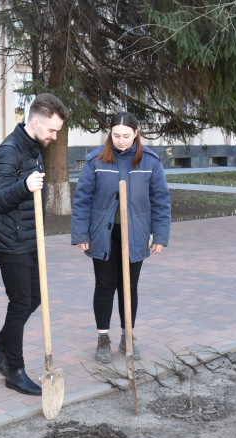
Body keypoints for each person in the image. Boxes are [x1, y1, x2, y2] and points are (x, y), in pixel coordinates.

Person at [0, 93, 69, 395]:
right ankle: (14, 370)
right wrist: (24, 186)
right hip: (11, 240)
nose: (54, 137)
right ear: (35, 122)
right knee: (21, 302)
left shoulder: (31, 147)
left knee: (34, 298)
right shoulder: (10, 151)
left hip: (28, 238)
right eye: (51, 130)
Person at [71, 111, 172, 363]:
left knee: (129, 286)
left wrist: (160, 235)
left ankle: (128, 334)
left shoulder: (149, 162)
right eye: (116, 135)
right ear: (110, 134)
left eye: (126, 136)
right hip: (103, 234)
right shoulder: (96, 160)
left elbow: (161, 201)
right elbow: (82, 199)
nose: (121, 141)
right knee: (104, 286)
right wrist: (81, 232)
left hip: (136, 234)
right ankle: (103, 338)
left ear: (136, 134)